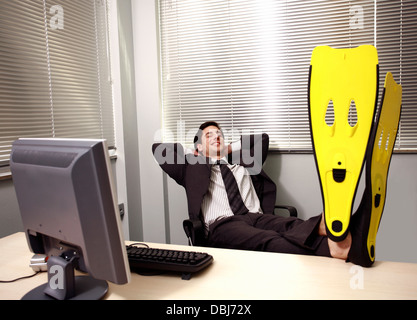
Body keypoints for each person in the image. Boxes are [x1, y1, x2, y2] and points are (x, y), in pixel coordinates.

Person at [152, 121, 372, 266]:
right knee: (269, 240)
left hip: (257, 216)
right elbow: (158, 149)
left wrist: (226, 149)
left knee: (291, 225)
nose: (216, 136)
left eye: (219, 134)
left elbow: (262, 139)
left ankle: (331, 227)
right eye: (209, 135)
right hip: (224, 224)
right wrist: (197, 153)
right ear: (198, 147)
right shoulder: (192, 168)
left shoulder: (243, 162)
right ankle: (338, 247)